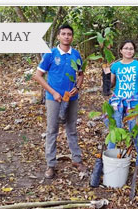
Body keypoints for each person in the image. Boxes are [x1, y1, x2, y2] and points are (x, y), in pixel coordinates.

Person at [33, 24, 86, 179]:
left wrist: (77, 86)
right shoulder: (50, 54)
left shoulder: (76, 55)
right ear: (58, 36)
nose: (66, 36)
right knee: (52, 130)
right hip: (53, 98)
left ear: (72, 37)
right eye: (63, 34)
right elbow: (38, 75)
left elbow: (81, 74)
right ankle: (50, 164)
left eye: (69, 34)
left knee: (71, 129)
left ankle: (76, 159)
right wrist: (53, 92)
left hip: (72, 98)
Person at [107, 40, 138, 171]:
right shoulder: (115, 66)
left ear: (134, 51)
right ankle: (109, 156)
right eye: (126, 48)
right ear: (121, 51)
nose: (128, 51)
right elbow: (111, 84)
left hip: (134, 102)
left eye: (131, 48)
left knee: (135, 131)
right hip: (118, 101)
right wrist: (106, 74)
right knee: (115, 129)